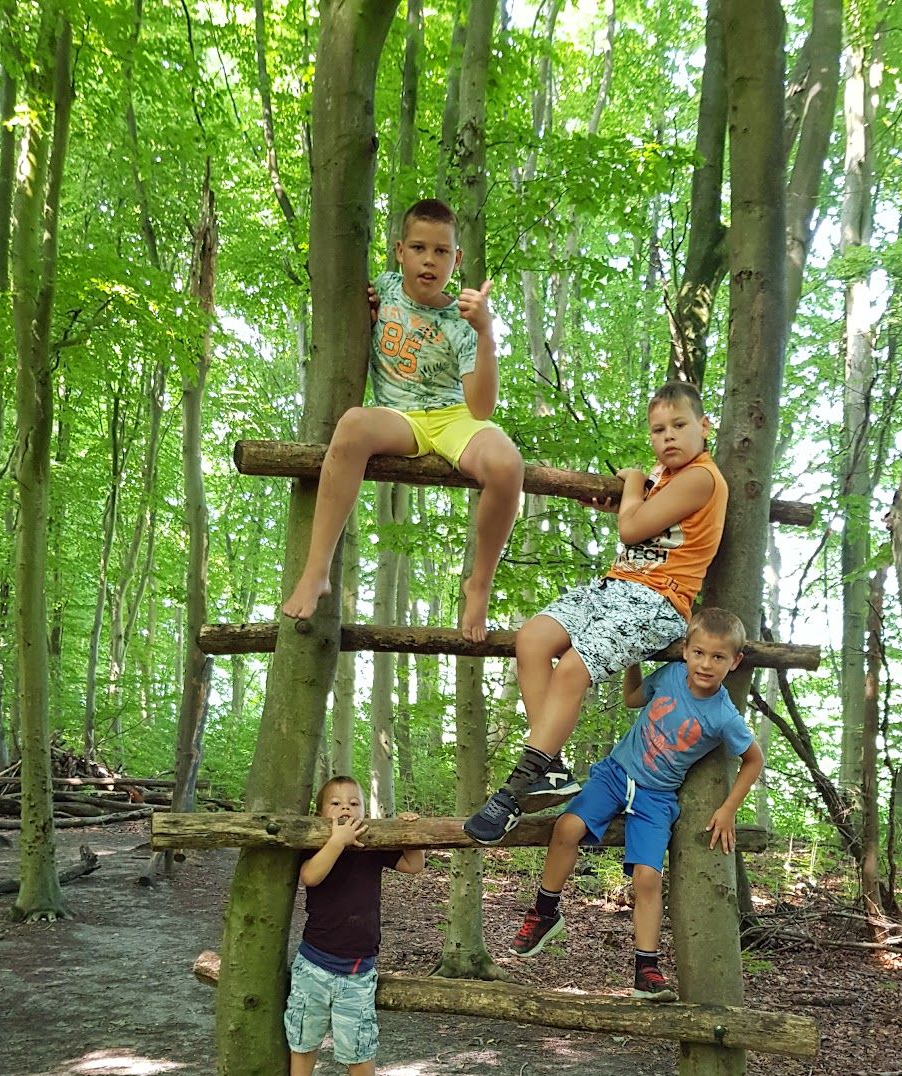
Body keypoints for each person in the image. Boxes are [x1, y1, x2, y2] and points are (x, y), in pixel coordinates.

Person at [464, 381, 729, 843]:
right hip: (614, 588)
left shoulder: (702, 476)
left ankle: (516, 787)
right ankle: (552, 768)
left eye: (679, 426)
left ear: (704, 427)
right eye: (657, 429)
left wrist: (630, 486)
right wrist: (625, 500)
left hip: (658, 600)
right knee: (532, 639)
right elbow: (647, 527)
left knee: (572, 669)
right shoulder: (666, 477)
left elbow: (633, 530)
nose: (667, 437)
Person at [282, 197, 524, 644]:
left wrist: (486, 334)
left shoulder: (465, 318)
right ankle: (317, 570)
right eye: (418, 248)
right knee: (353, 424)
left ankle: (479, 584)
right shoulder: (383, 288)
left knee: (509, 465)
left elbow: (481, 408)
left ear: (458, 258)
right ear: (399, 251)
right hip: (399, 415)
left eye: (441, 251)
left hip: (454, 417)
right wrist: (367, 305)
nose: (429, 261)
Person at [508, 608, 764, 1000]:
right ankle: (544, 912)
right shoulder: (671, 676)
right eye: (698, 653)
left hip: (657, 796)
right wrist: (631, 660)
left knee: (647, 877)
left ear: (735, 662)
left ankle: (646, 969)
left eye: (718, 657)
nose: (706, 664)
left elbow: (754, 760)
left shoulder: (724, 715)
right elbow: (631, 699)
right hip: (614, 773)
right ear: (685, 651)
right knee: (566, 828)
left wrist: (728, 808)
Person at [283, 775, 425, 1076]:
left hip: (357, 972)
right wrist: (336, 841)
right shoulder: (316, 844)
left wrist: (411, 834)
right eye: (336, 803)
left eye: (354, 803)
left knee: (358, 1046)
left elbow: (414, 866)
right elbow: (311, 876)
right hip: (313, 964)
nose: (346, 808)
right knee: (303, 1034)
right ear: (320, 814)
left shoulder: (368, 845)